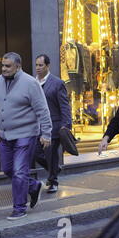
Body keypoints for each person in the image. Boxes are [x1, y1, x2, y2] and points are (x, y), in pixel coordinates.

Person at [0, 52, 52, 221]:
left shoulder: (30, 83)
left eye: (7, 66)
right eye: (2, 65)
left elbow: (42, 110)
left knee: (19, 171)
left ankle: (19, 207)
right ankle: (34, 185)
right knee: (8, 169)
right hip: (4, 135)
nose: (3, 69)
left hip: (26, 134)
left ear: (18, 66)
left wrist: (46, 133)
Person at [33, 54, 72, 193]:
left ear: (48, 66)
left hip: (53, 126)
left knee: (51, 153)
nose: (38, 68)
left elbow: (64, 106)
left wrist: (66, 125)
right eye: (36, 65)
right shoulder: (33, 82)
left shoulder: (57, 83)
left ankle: (53, 181)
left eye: (41, 65)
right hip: (36, 126)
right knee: (35, 153)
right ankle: (55, 169)